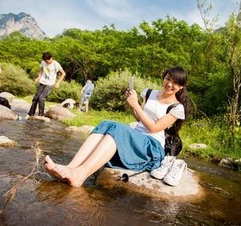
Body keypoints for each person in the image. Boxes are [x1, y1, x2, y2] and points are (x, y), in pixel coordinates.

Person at [44, 66, 189, 187]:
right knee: (106, 123)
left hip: (152, 145)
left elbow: (153, 128)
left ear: (181, 86)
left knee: (118, 128)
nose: (170, 84)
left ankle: (80, 175)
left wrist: (135, 105)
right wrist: (131, 104)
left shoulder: (177, 108)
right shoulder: (150, 93)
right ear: (163, 78)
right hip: (136, 137)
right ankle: (70, 167)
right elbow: (140, 119)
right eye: (168, 79)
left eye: (175, 83)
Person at [27, 52, 66, 118]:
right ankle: (30, 114)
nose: (47, 62)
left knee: (41, 98)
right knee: (35, 98)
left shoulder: (56, 64)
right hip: (42, 82)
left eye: (48, 61)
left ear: (51, 58)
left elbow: (63, 73)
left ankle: (41, 115)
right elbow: (41, 69)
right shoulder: (43, 62)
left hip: (50, 83)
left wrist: (58, 83)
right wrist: (39, 77)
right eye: (46, 61)